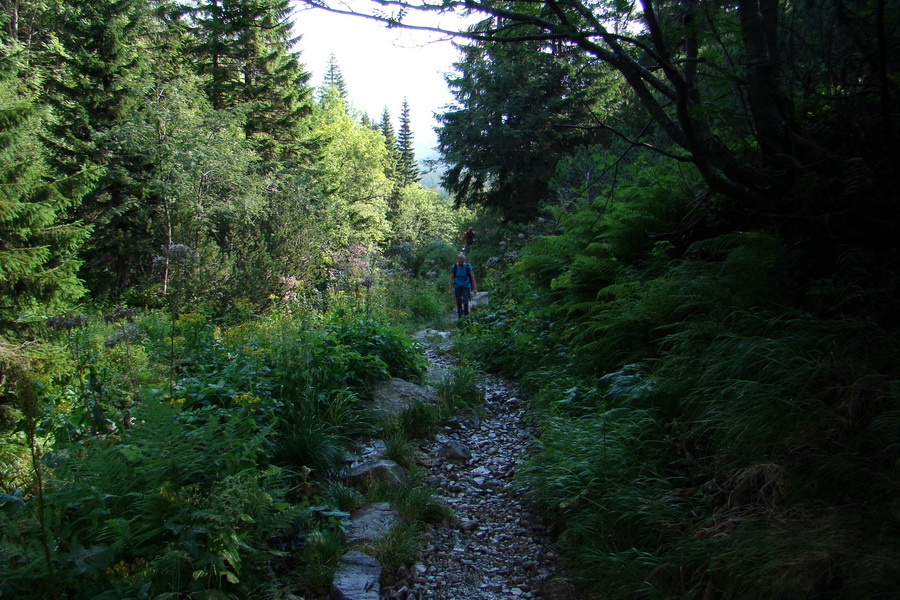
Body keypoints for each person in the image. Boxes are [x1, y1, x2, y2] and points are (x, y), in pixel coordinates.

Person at [449, 253, 477, 319]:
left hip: (466, 286)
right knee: (459, 302)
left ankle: (466, 317)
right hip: (457, 286)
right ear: (457, 260)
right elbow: (451, 278)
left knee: (465, 301)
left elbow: (472, 278)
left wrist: (474, 288)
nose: (461, 263)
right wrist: (450, 289)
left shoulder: (467, 266)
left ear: (464, 260)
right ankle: (460, 318)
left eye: (462, 261)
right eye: (460, 261)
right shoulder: (454, 267)